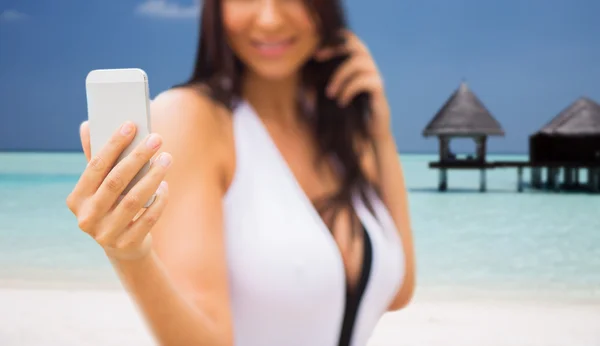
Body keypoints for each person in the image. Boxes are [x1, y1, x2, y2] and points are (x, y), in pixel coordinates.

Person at [66, 0, 415, 345]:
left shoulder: (340, 131)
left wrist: (380, 134)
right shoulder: (192, 120)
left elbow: (396, 290)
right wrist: (130, 255)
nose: (269, 19)